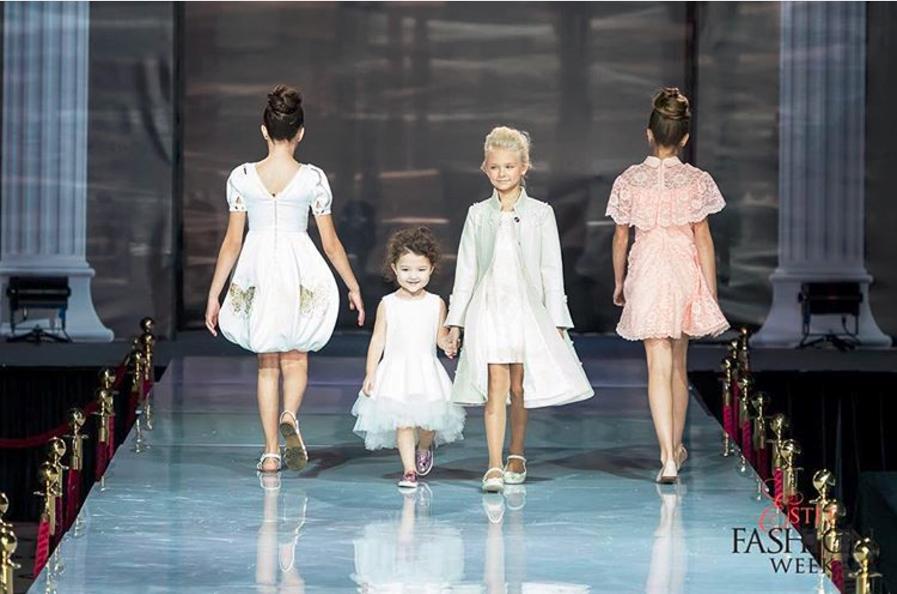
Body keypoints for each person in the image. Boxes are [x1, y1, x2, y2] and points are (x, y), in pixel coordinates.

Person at [205, 84, 365, 473]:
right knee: (296, 357)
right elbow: (330, 244)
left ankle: (271, 452)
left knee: (267, 364)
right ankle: (290, 415)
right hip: (299, 268)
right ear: (300, 133)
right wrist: (353, 285)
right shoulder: (312, 179)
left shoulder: (242, 177)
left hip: (258, 268)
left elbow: (232, 242)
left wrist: (214, 294)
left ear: (264, 130)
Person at [444, 126, 593, 494]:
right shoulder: (478, 214)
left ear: (524, 167)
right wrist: (455, 322)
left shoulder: (541, 214)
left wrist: (557, 320)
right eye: (495, 167)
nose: (502, 173)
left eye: (509, 166)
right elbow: (466, 271)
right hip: (489, 308)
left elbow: (551, 270)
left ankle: (516, 453)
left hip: (527, 311)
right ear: (485, 168)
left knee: (519, 385)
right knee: (494, 384)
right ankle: (493, 464)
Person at [606, 87, 729, 484]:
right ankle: (674, 448)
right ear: (685, 138)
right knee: (678, 366)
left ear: (649, 133)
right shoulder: (696, 181)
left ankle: (667, 456)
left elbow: (621, 237)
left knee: (657, 366)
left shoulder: (629, 180)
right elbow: (703, 239)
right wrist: (709, 291)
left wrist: (620, 282)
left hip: (647, 270)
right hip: (682, 272)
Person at [351, 227, 465, 489]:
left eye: (420, 269)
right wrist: (370, 373)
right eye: (406, 269)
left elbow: (439, 337)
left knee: (430, 421)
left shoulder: (436, 303)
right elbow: (378, 340)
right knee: (403, 422)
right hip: (396, 372)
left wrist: (449, 343)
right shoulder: (388, 303)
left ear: (431, 268)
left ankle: (424, 447)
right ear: (394, 268)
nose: (413, 276)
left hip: (426, 371)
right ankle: (409, 470)